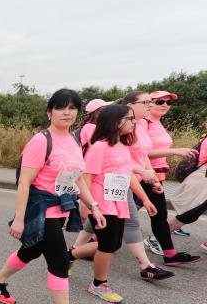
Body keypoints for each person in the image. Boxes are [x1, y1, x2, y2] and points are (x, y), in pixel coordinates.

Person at [0, 89, 105, 304]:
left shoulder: (73, 141)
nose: (67, 112)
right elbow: (24, 182)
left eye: (72, 108)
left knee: (31, 249)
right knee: (60, 261)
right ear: (50, 111)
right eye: (61, 107)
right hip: (41, 209)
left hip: (61, 207)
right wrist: (18, 218)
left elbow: (78, 178)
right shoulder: (41, 141)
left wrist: (93, 205)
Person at [70, 93, 173, 282]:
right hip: (101, 203)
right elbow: (87, 177)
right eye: (130, 119)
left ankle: (69, 256)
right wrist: (87, 205)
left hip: (118, 203)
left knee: (114, 244)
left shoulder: (123, 146)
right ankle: (99, 284)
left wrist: (145, 199)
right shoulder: (100, 146)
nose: (134, 123)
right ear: (115, 122)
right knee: (108, 245)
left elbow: (128, 177)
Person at [136, 91, 200, 265]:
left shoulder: (157, 123)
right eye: (159, 101)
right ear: (149, 103)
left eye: (168, 103)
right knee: (122, 213)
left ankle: (169, 254)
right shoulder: (142, 123)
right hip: (140, 173)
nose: (165, 105)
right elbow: (141, 152)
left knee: (156, 214)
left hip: (156, 174)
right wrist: (175, 151)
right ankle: (90, 243)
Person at [168, 133, 207, 236]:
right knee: (189, 215)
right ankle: (157, 237)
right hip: (203, 179)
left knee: (190, 214)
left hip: (202, 178)